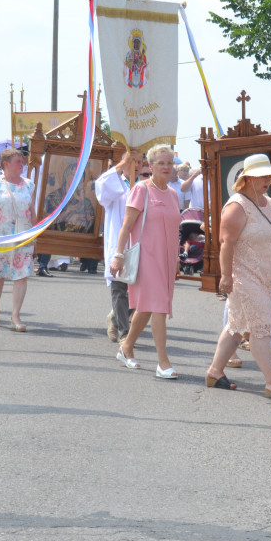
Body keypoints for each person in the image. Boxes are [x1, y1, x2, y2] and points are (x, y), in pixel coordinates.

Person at [205, 154, 271, 397]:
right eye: (262, 176)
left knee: (236, 327)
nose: (267, 180)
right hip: (244, 276)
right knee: (261, 328)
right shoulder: (236, 205)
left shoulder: (269, 204)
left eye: (269, 176)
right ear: (248, 178)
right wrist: (226, 276)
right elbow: (226, 243)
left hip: (263, 278)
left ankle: (214, 371)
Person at [110, 144, 182, 378]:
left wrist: (177, 257)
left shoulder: (172, 194)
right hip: (146, 258)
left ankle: (126, 346)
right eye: (160, 163)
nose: (166, 167)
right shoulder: (141, 189)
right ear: (150, 166)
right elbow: (126, 225)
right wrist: (118, 254)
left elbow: (175, 230)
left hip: (167, 259)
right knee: (159, 305)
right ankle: (163, 362)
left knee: (146, 308)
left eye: (169, 163)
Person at [0, 148, 36, 331]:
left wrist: (35, 234)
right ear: (6, 164)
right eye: (18, 161)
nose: (22, 164)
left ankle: (16, 316)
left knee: (21, 275)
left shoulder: (29, 184)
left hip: (23, 236)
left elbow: (32, 210)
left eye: (22, 161)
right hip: (0, 235)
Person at [97, 149, 141, 343]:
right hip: (118, 242)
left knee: (139, 291)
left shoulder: (145, 186)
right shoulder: (116, 184)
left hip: (140, 243)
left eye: (140, 161)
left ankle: (115, 317)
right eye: (133, 161)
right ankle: (125, 332)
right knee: (119, 287)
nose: (136, 165)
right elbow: (101, 189)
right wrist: (123, 163)